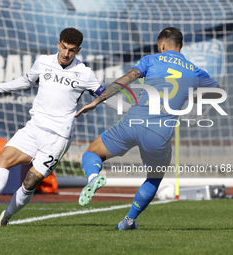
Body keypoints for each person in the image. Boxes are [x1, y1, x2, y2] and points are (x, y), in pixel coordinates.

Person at [0, 27, 105, 227]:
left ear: (78, 50)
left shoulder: (85, 73)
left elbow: (103, 93)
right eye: (64, 48)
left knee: (30, 182)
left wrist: (108, 103)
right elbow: (27, 81)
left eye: (72, 50)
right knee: (1, 159)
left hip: (57, 138)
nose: (67, 54)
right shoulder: (43, 62)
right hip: (34, 128)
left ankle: (5, 217)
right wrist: (2, 86)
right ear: (58, 44)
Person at [75, 27, 221, 230]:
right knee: (154, 176)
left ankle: (93, 177)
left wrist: (97, 100)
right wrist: (190, 96)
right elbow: (218, 93)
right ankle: (128, 220)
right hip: (159, 132)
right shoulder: (194, 70)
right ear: (180, 46)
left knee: (93, 152)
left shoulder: (150, 60)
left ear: (162, 45)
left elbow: (125, 79)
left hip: (133, 123)